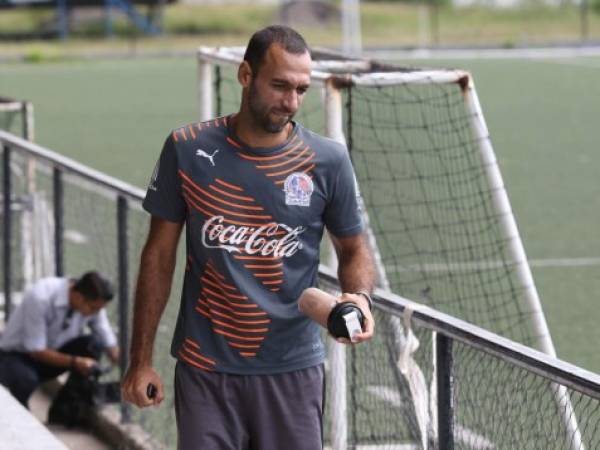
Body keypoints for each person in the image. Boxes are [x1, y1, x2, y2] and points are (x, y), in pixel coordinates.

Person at [122, 25, 376, 449]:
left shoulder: (327, 160)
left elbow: (353, 249)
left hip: (292, 370)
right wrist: (140, 360)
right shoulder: (187, 148)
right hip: (205, 368)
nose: (291, 102)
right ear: (245, 75)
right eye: (279, 86)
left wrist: (360, 298)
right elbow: (159, 256)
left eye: (301, 89)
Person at [0, 271, 119, 408]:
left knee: (94, 345)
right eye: (93, 308)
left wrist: (118, 357)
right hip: (16, 356)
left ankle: (64, 409)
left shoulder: (93, 303)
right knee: (25, 379)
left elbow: (105, 335)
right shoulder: (41, 296)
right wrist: (76, 362)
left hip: (51, 355)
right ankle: (19, 413)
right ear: (79, 297)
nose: (96, 313)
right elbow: (36, 350)